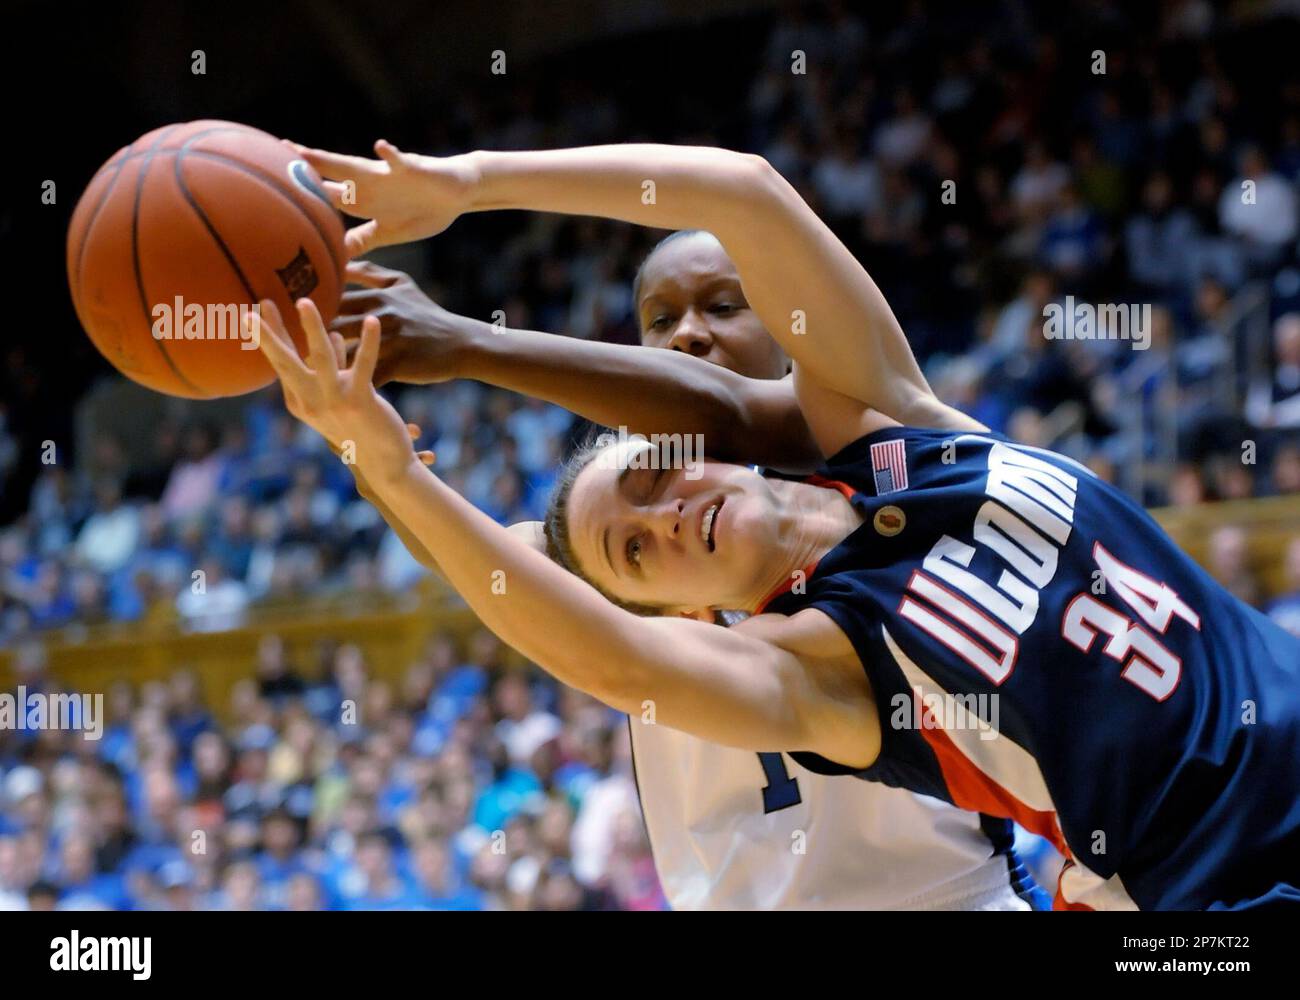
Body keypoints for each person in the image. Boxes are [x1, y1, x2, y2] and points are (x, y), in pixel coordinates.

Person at [254, 141, 1300, 910]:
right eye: (634, 550)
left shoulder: (898, 429)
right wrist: (371, 451)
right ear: (678, 608)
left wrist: (469, 185)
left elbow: (746, 194)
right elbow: (599, 644)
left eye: (657, 478)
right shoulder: (820, 655)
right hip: (1218, 900)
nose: (665, 520)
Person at [326, 231, 1044, 910]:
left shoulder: (871, 467)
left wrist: (463, 339)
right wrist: (368, 454)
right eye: (659, 321)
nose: (688, 335)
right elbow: (470, 556)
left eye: (723, 306)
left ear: (790, 329)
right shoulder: (618, 538)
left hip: (944, 891)